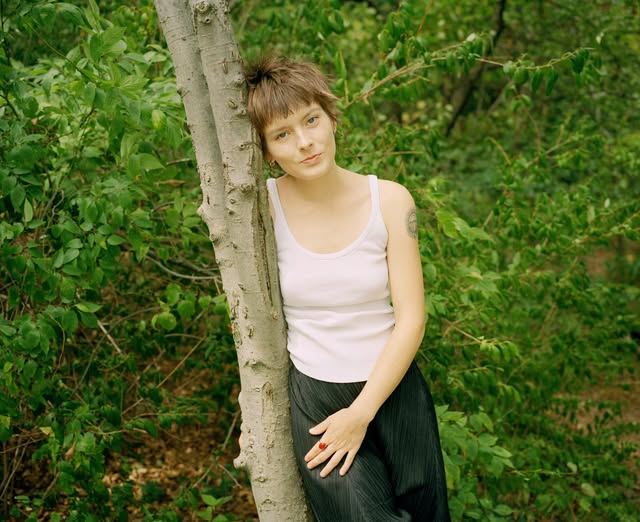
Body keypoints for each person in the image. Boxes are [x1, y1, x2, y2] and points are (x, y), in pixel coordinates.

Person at [243, 54, 451, 522]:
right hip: (317, 399)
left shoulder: (391, 200)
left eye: (311, 120)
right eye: (282, 134)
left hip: (396, 392)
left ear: (331, 117)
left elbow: (412, 318)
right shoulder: (262, 208)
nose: (305, 142)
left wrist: (362, 413)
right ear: (267, 151)